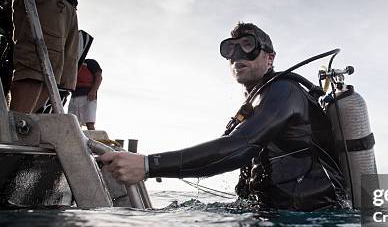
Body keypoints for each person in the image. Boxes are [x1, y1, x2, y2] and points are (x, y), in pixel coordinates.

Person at [101, 23, 347, 211]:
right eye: (230, 49)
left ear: (270, 57)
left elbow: (238, 147)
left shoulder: (284, 91)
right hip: (276, 214)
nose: (237, 55)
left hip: (313, 219)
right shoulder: (257, 101)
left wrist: (147, 165)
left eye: (248, 45)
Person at [5, 0, 96, 113]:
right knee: (35, 70)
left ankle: (20, 126)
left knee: (55, 79)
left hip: (68, 0)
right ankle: (12, 130)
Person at [67, 58, 101, 130]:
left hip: (88, 95)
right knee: (73, 122)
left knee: (89, 122)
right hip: (74, 95)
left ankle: (92, 139)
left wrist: (93, 91)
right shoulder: (74, 63)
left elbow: (99, 77)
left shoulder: (90, 62)